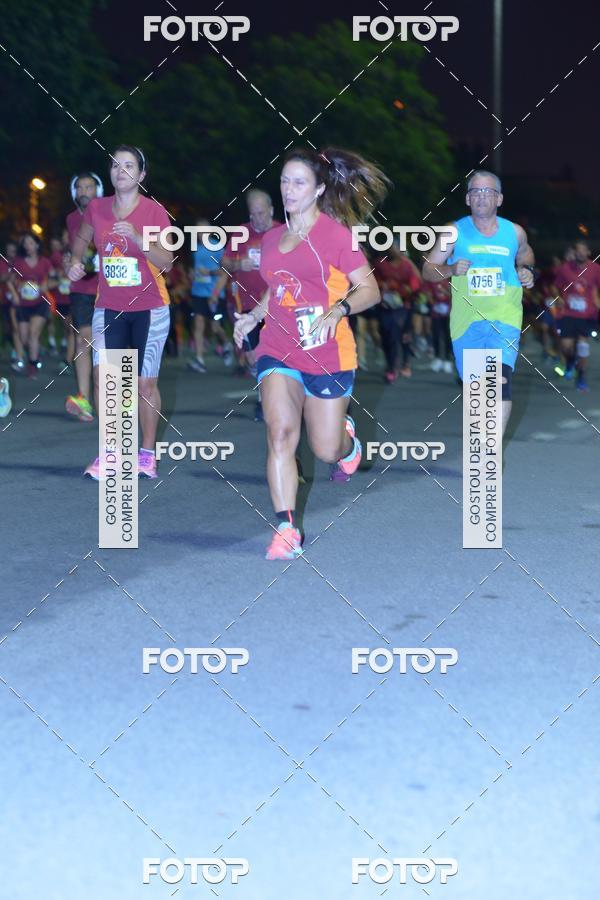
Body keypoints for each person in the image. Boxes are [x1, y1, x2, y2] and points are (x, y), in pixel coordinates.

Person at [233, 147, 387, 560]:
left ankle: (347, 445)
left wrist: (339, 309)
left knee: (324, 450)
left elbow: (370, 289)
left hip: (328, 354)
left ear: (319, 188)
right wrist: (254, 316)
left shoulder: (335, 236)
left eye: (298, 182)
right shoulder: (270, 238)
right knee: (280, 434)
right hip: (278, 348)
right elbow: (278, 285)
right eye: (284, 181)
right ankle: (286, 528)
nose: (288, 189)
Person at [68, 145, 173, 479]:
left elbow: (167, 261)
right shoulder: (97, 208)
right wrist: (74, 261)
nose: (120, 171)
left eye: (129, 166)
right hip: (108, 306)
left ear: (141, 175)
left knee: (144, 384)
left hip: (150, 307)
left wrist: (139, 239)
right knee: (105, 380)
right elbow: (81, 238)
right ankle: (110, 452)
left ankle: (146, 453)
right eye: (115, 165)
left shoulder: (155, 212)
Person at [423, 170, 535, 436]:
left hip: (505, 318)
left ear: (499, 199)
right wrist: (450, 270)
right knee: (478, 392)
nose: (481, 197)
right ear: (467, 199)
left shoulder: (514, 232)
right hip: (467, 323)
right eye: (475, 192)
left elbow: (526, 255)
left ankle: (491, 447)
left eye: (488, 192)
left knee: (499, 383)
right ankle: (484, 436)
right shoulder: (453, 231)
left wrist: (528, 271)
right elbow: (428, 270)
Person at [212, 189, 280, 421]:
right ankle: (265, 389)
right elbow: (224, 263)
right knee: (253, 357)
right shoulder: (242, 232)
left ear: (271, 210)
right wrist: (241, 262)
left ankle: (267, 401)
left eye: (261, 213)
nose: (257, 219)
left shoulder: (283, 232)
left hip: (276, 302)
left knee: (273, 353)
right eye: (253, 215)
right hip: (247, 303)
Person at [65, 171, 103, 422]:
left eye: (89, 187)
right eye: (80, 188)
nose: (84, 191)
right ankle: (84, 400)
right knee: (83, 340)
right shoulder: (70, 219)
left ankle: (114, 396)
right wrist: (70, 261)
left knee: (109, 343)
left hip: (108, 286)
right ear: (74, 192)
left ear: (97, 190)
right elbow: (73, 251)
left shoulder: (108, 213)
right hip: (81, 289)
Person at [553, 241, 600, 391]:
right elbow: (556, 286)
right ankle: (570, 362)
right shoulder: (565, 268)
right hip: (568, 313)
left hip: (587, 314)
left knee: (583, 345)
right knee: (566, 347)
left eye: (583, 250)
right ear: (575, 252)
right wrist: (558, 297)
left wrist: (597, 303)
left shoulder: (595, 269)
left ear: (588, 252)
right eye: (577, 250)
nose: (580, 253)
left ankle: (581, 376)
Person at [187, 219, 232, 373]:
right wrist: (192, 274)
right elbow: (197, 270)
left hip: (215, 293)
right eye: (197, 231)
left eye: (203, 231)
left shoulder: (217, 248)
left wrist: (210, 273)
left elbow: (225, 271)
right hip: (198, 292)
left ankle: (226, 343)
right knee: (198, 323)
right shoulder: (196, 249)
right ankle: (200, 360)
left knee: (215, 327)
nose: (200, 234)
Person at [374, 245, 421, 383]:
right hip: (385, 306)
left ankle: (394, 367)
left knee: (399, 335)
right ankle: (391, 363)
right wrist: (385, 285)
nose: (394, 249)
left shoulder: (407, 265)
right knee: (385, 334)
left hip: (403, 306)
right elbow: (372, 280)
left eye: (397, 247)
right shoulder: (380, 263)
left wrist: (408, 288)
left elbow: (415, 282)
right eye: (392, 247)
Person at [11, 233, 52, 376]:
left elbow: (52, 278)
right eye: (25, 243)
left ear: (37, 245)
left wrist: (45, 285)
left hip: (40, 303)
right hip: (22, 305)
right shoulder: (18, 262)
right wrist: (15, 294)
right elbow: (10, 281)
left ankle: (33, 364)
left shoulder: (45, 262)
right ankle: (35, 354)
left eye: (30, 243)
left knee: (33, 333)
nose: (27, 246)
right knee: (24, 338)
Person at [425, 277, 453, 373]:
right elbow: (428, 293)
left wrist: (445, 291)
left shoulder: (450, 281)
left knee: (447, 336)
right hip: (436, 311)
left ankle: (447, 360)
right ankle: (437, 358)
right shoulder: (432, 281)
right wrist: (433, 303)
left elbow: (454, 295)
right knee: (436, 334)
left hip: (448, 312)